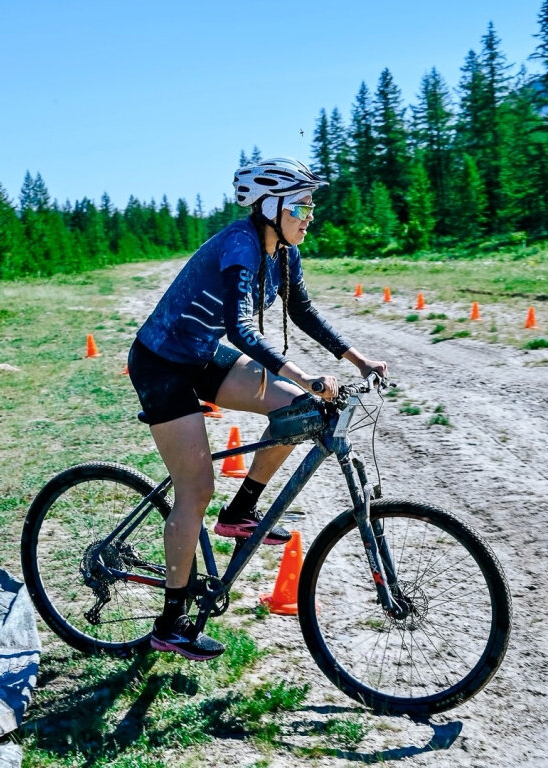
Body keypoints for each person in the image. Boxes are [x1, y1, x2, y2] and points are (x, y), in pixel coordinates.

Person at [127, 157, 387, 661]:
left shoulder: (283, 250)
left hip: (199, 355)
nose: (310, 214)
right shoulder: (241, 247)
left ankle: (241, 511)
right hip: (161, 363)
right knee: (195, 488)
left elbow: (302, 310)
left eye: (312, 204)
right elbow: (242, 329)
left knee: (300, 410)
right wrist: (303, 373)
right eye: (302, 204)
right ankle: (171, 622)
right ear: (270, 207)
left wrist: (357, 358)